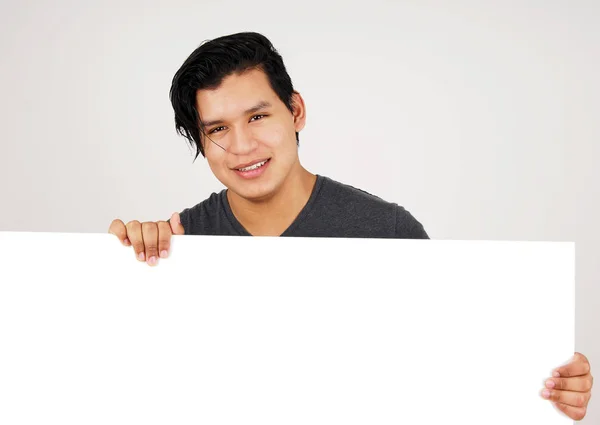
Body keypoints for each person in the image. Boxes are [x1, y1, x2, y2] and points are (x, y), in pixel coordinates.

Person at [108, 32, 593, 420]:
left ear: (295, 111)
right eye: (217, 129)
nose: (241, 145)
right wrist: (119, 271)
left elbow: (454, 364)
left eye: (258, 116)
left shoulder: (387, 231)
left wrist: (547, 385)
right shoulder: (177, 246)